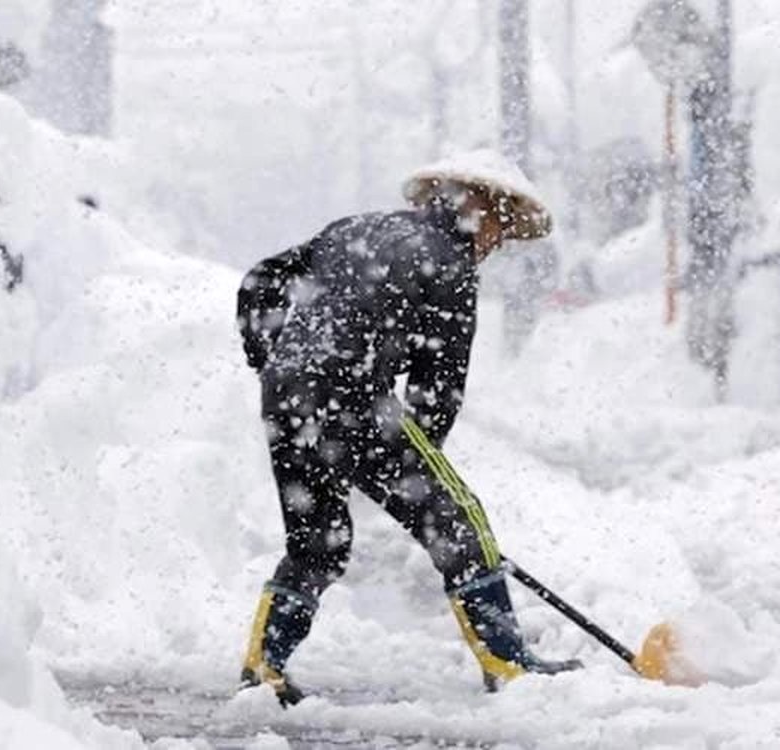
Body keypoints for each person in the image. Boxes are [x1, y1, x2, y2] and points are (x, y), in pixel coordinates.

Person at [235, 150, 581, 705]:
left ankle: (263, 661)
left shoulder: (355, 228)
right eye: (500, 227)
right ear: (480, 208)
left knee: (318, 542)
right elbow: (437, 390)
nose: (496, 243)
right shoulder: (449, 264)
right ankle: (508, 662)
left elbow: (261, 280)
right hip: (354, 398)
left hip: (286, 397)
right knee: (462, 521)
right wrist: (417, 477)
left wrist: (274, 362)